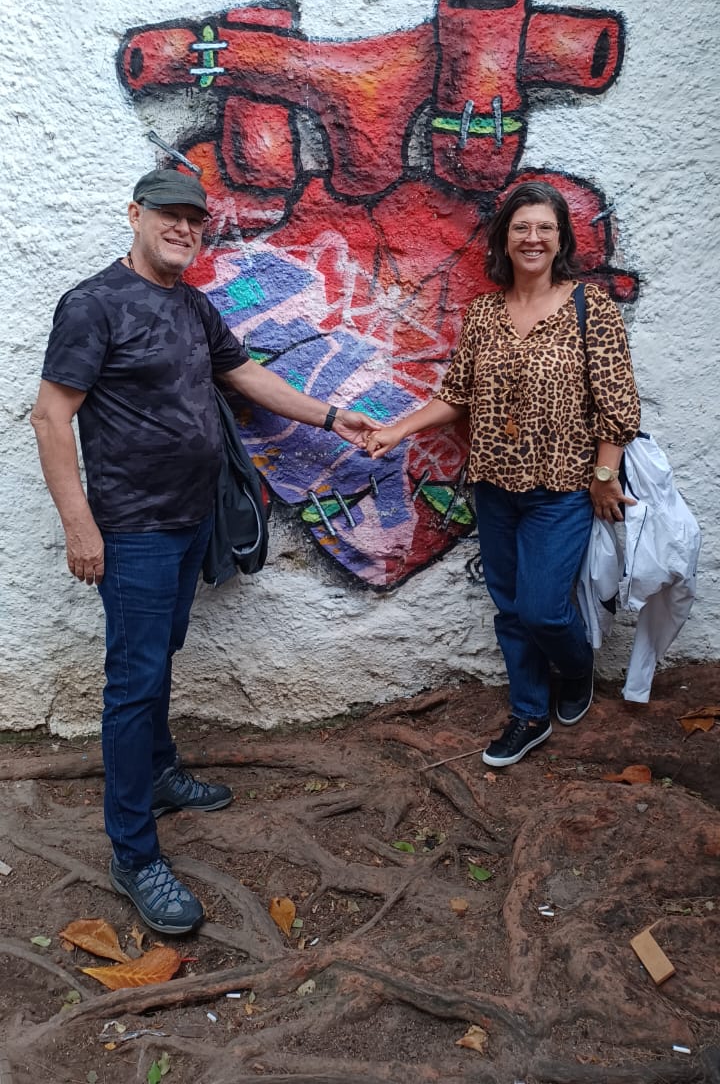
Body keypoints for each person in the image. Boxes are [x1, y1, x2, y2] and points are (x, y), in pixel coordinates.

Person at [31, 168, 375, 934]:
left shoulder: (190, 304)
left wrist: (330, 416)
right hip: (134, 532)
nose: (183, 228)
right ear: (135, 215)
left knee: (158, 658)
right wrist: (80, 525)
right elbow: (52, 417)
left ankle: (158, 774)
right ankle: (133, 853)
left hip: (191, 524)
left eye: (194, 218)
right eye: (169, 214)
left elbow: (244, 374)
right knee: (134, 682)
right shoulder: (93, 304)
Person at [367, 180, 640, 767]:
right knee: (511, 609)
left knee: (543, 609)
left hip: (561, 488)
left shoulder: (591, 308)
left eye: (544, 227)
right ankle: (529, 714)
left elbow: (616, 403)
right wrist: (397, 430)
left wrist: (604, 473)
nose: (532, 238)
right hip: (493, 486)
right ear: (504, 238)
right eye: (521, 227)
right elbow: (457, 395)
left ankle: (576, 668)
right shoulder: (485, 313)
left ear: (561, 238)